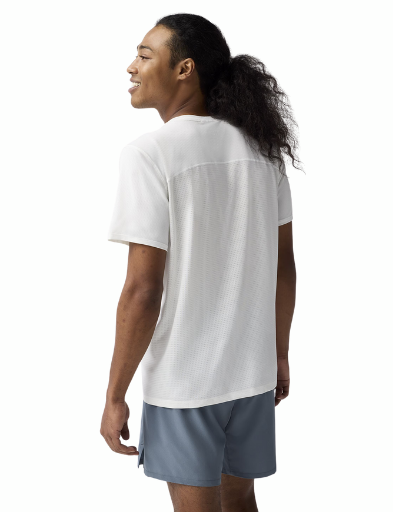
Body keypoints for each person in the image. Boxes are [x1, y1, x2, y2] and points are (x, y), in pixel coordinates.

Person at [100, 13, 300, 512]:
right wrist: (279, 354)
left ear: (184, 69)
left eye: (145, 55)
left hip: (185, 384)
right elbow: (284, 267)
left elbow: (143, 291)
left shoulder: (150, 155)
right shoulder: (263, 151)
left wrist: (115, 394)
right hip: (251, 375)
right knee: (242, 504)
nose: (131, 66)